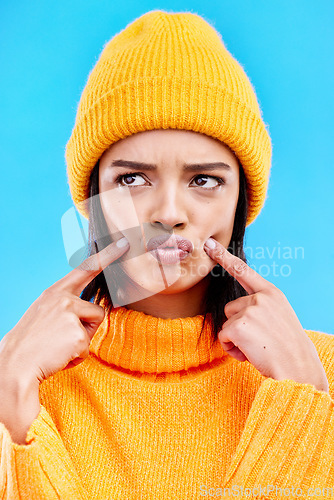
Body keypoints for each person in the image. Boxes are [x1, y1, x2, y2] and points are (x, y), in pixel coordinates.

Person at [0, 9, 333, 499]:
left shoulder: (320, 371)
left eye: (204, 180)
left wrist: (304, 400)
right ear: (92, 200)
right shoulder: (19, 380)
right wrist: (15, 409)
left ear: (241, 200)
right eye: (132, 179)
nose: (170, 212)